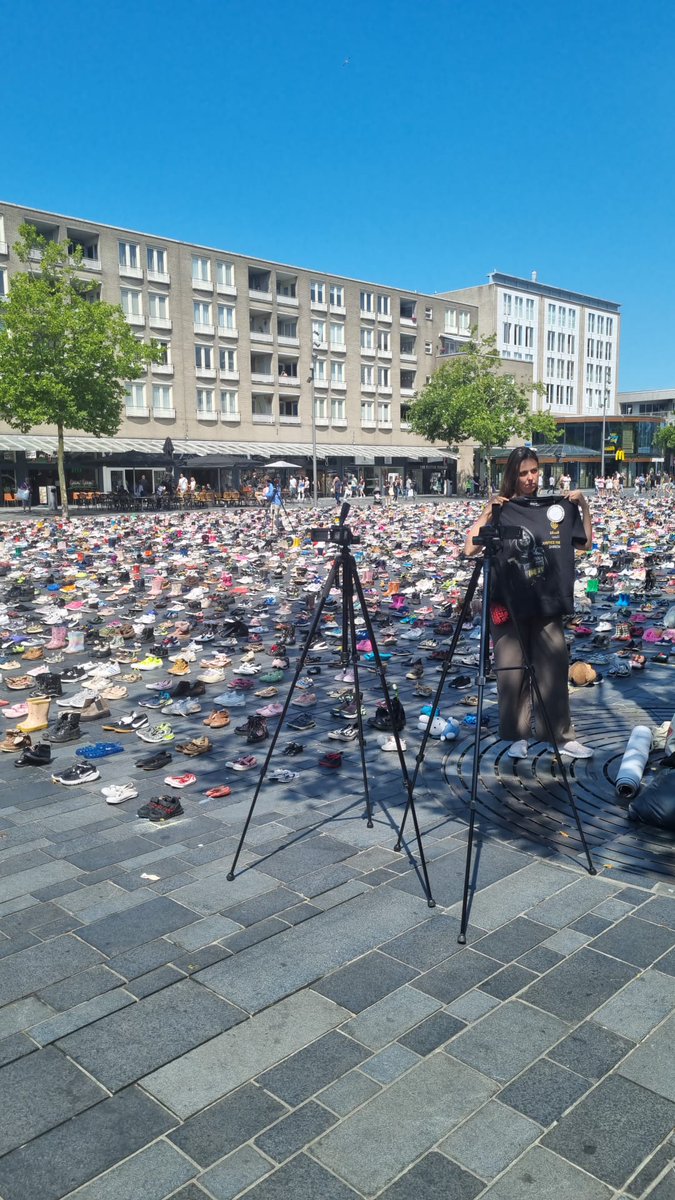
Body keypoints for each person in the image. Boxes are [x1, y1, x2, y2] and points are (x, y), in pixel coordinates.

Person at [463, 446, 594, 762]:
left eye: (533, 471)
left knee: (554, 666)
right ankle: (516, 736)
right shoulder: (501, 509)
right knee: (510, 671)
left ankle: (559, 735)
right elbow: (469, 549)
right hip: (505, 602)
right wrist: (487, 512)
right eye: (523, 473)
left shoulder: (557, 508)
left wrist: (584, 506)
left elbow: (586, 544)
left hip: (547, 599)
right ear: (512, 475)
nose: (530, 478)